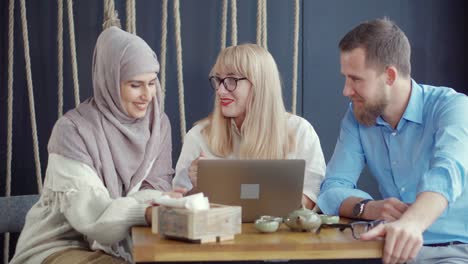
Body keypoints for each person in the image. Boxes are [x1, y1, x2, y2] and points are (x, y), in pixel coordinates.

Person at [10, 27, 183, 264]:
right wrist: (147, 208)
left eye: (152, 83)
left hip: (127, 243)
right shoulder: (72, 130)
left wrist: (165, 201)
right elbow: (91, 215)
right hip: (61, 245)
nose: (148, 95)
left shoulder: (158, 124)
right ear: (109, 81)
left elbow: (157, 186)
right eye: (135, 85)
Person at [317, 18, 468, 264]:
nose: (346, 90)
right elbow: (332, 188)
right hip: (394, 253)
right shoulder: (356, 115)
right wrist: (367, 208)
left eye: (355, 79)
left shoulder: (452, 107)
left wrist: (411, 223)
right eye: (345, 78)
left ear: (389, 76)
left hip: (458, 251)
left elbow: (448, 171)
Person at [172, 44, 326, 210]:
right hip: (218, 233)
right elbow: (177, 201)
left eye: (231, 80)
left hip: (281, 234)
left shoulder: (300, 131)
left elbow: (311, 199)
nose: (220, 91)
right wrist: (199, 188)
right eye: (218, 80)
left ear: (260, 84)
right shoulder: (198, 136)